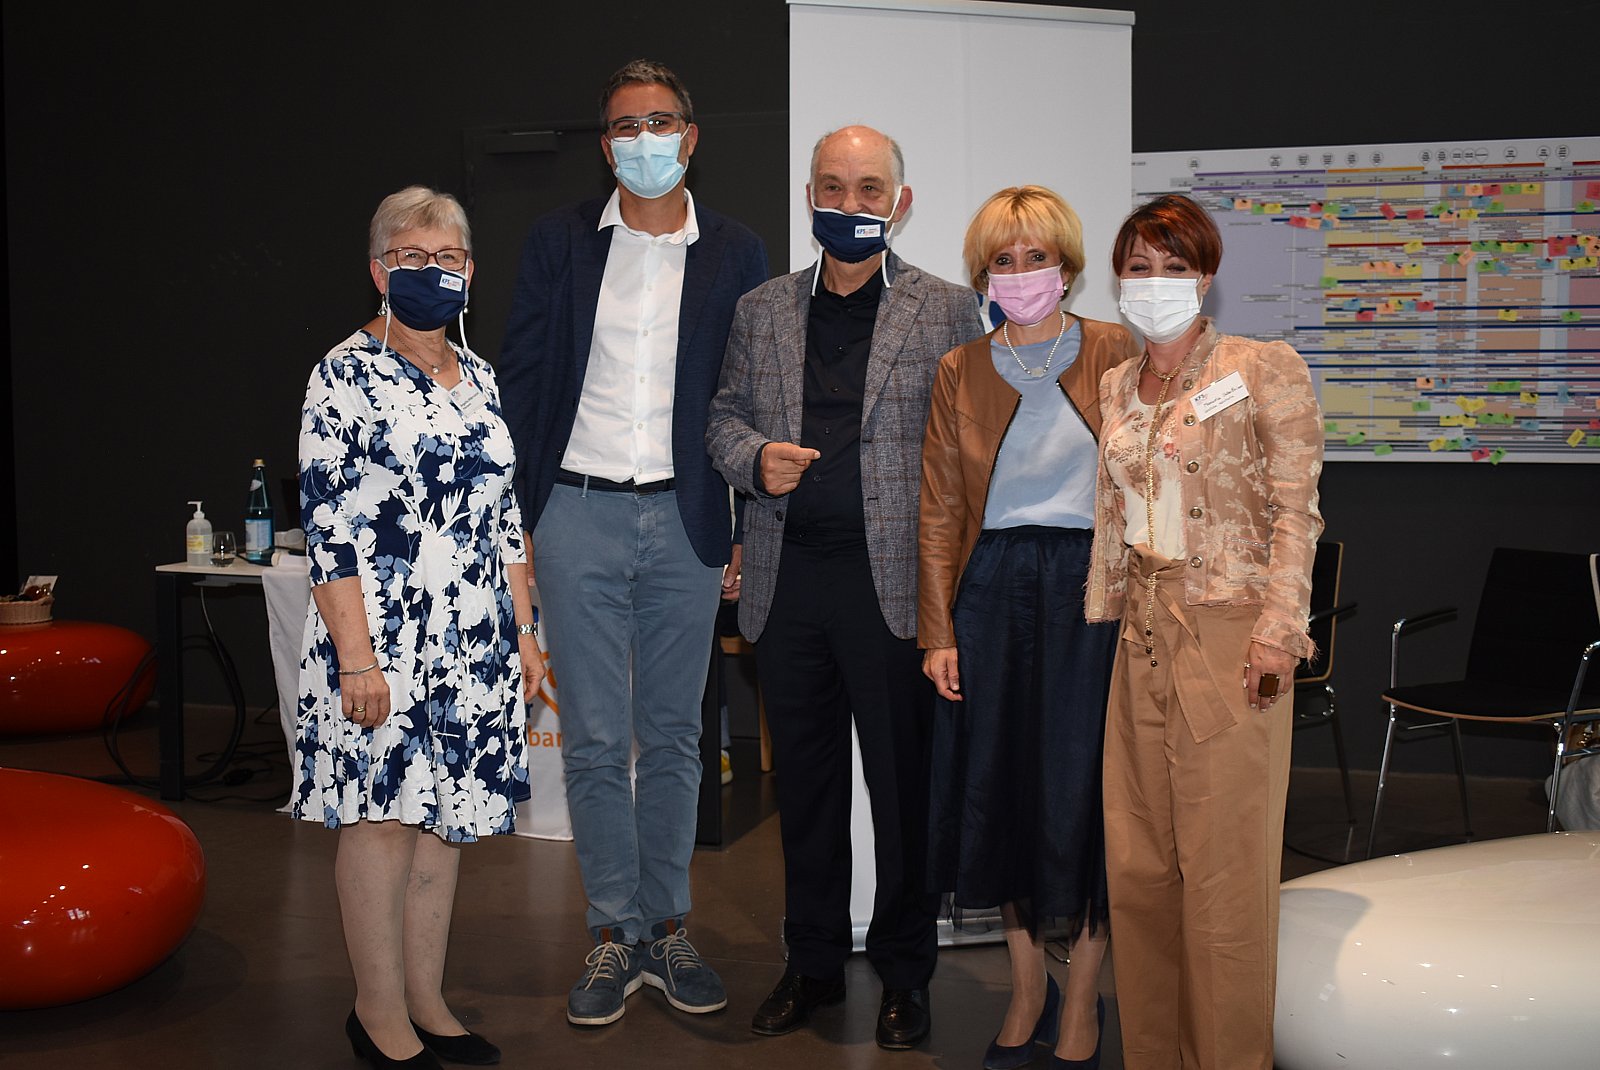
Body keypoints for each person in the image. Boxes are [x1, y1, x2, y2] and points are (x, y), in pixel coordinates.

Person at [497, 59, 767, 1028]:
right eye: (623, 126)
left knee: (675, 735)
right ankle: (614, 928)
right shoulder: (559, 241)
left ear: (689, 136)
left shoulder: (737, 251)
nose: (643, 140)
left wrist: (746, 525)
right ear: (605, 146)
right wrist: (519, 524)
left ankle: (667, 925)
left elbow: (751, 400)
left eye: (659, 123)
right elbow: (524, 380)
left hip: (688, 518)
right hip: (575, 513)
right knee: (598, 739)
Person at [706, 125, 984, 1051]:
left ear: (900, 202)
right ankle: (814, 963)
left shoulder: (948, 309)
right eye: (832, 186)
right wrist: (755, 460)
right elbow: (722, 418)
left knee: (903, 794)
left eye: (869, 188)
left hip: (895, 590)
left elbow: (972, 450)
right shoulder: (762, 309)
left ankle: (906, 974)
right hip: (789, 581)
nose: (849, 203)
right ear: (809, 197)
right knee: (809, 792)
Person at [294, 185, 541, 1068]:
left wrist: (526, 633)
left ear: (470, 271)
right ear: (378, 270)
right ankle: (377, 1013)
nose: (431, 271)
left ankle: (427, 1001)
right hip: (382, 642)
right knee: (383, 822)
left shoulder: (482, 378)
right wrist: (356, 659)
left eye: (447, 258)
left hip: (475, 643)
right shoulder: (342, 374)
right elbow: (326, 526)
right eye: (411, 257)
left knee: (445, 824)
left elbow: (504, 518)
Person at [1085, 193, 1324, 1070]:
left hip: (1230, 637)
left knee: (1224, 877)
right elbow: (1118, 513)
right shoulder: (1117, 384)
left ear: (1206, 276)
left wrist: (1278, 632)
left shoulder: (1263, 367)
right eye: (1138, 268)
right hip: (1141, 632)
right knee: (1140, 870)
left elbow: (1298, 513)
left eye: (1174, 267)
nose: (1155, 283)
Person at [919, 186, 1139, 1070]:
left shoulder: (1118, 351)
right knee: (999, 785)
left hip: (1095, 592)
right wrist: (938, 632)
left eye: (1036, 258)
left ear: (1068, 267)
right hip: (993, 589)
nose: (1020, 274)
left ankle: (1083, 995)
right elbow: (940, 509)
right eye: (1002, 261)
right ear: (983, 275)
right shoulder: (959, 369)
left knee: (1085, 792)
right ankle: (1026, 988)